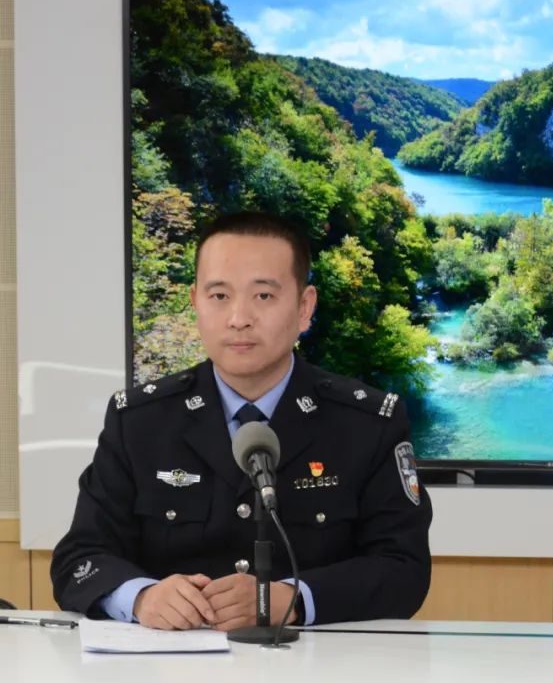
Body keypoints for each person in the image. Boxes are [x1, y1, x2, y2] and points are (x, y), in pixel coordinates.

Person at [51, 212, 432, 629]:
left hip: (315, 663)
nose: (238, 318)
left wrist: (294, 599)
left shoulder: (367, 423)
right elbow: (78, 559)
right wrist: (141, 597)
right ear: (195, 302)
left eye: (263, 296)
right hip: (168, 663)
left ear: (305, 308)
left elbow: (404, 569)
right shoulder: (139, 422)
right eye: (219, 296)